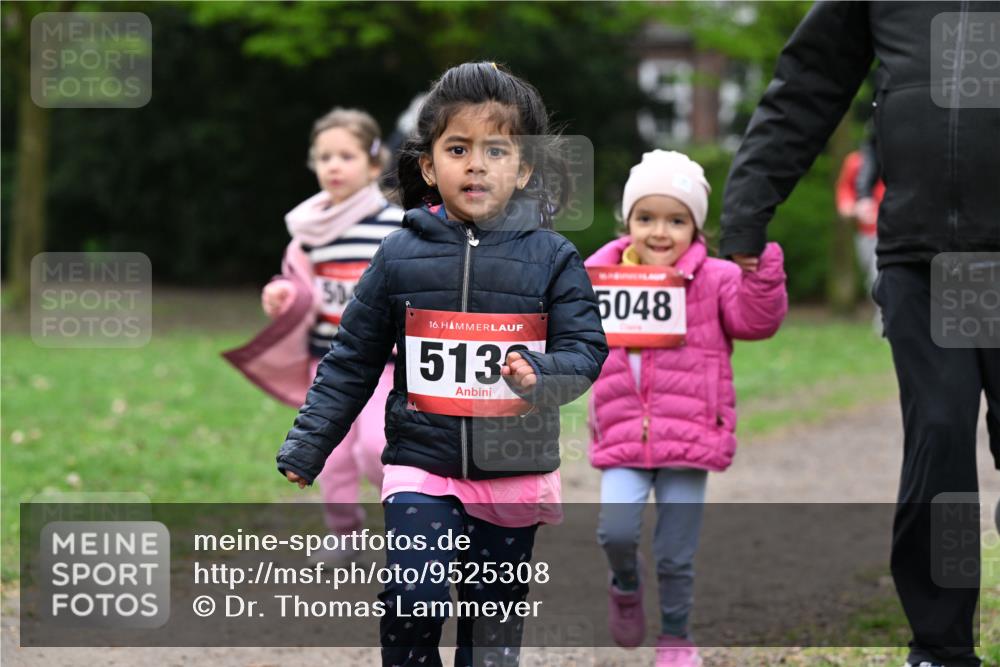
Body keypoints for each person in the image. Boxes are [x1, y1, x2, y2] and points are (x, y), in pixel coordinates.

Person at [276, 61, 608, 667]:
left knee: (490, 630)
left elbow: (587, 349)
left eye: (496, 150)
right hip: (420, 464)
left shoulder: (554, 257)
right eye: (458, 148)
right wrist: (308, 445)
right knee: (415, 593)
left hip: (513, 469)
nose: (476, 164)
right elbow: (352, 358)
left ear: (524, 167)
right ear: (429, 165)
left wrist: (543, 377)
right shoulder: (398, 254)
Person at [717, 3, 999, 666]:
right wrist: (749, 206)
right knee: (941, 445)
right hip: (925, 261)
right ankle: (942, 647)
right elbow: (809, 81)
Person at [585, 150, 787, 666]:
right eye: (646, 217)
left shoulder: (715, 277)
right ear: (626, 221)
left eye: (676, 220)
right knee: (615, 531)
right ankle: (625, 585)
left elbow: (755, 322)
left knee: (676, 554)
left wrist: (761, 270)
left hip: (690, 435)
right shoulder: (596, 277)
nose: (660, 232)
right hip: (623, 432)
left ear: (695, 226)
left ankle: (676, 637)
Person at [224, 108, 403, 564]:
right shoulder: (308, 231)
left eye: (346, 155)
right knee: (333, 457)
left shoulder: (394, 226)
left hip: (384, 361)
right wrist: (281, 295)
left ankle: (409, 526)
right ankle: (344, 534)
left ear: (373, 163)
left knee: (374, 448)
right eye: (324, 157)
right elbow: (299, 285)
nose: (334, 166)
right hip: (324, 360)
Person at [834, 131, 884, 331]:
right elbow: (844, 197)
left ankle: (883, 324)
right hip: (867, 232)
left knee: (879, 275)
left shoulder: (899, 161)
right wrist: (857, 209)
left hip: (890, 231)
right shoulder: (855, 162)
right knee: (871, 278)